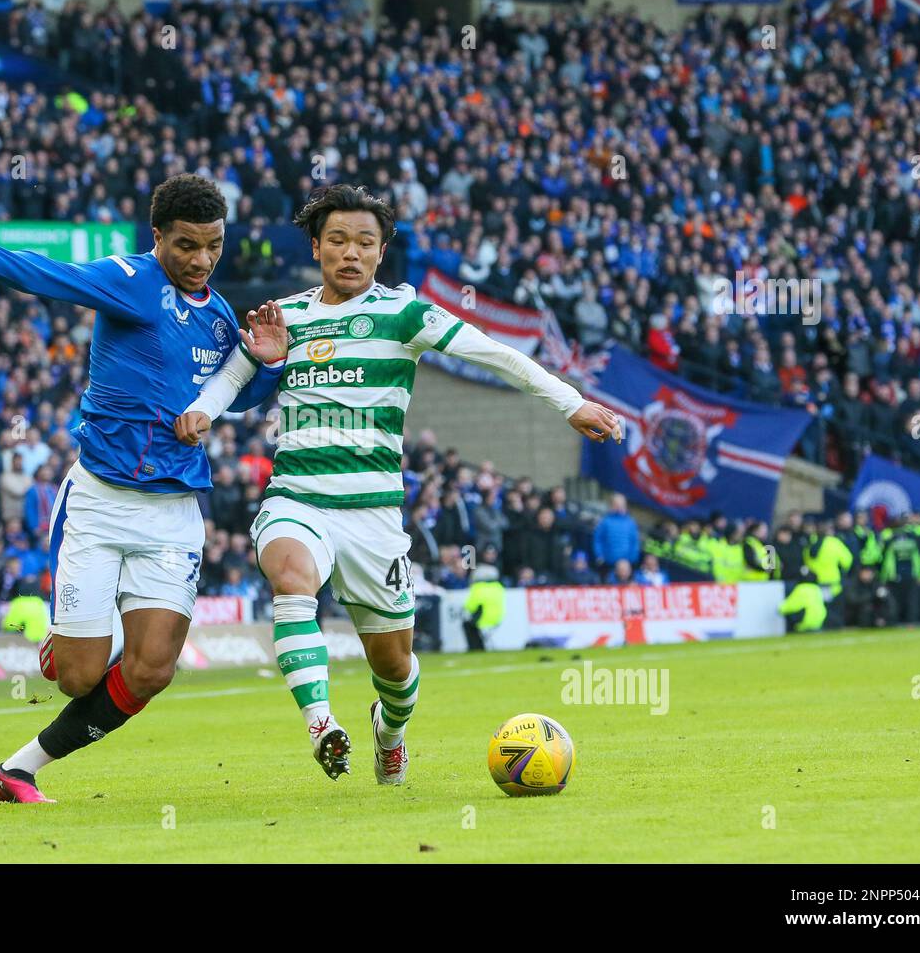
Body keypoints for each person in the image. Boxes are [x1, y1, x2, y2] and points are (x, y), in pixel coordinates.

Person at [176, 184, 621, 784]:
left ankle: (390, 732)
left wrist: (571, 404)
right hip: (298, 497)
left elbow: (496, 354)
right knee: (290, 579)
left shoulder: (405, 314)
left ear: (382, 252)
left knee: (396, 668)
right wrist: (203, 410)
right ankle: (322, 727)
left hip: (375, 517)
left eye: (365, 242)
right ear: (316, 246)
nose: (351, 253)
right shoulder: (289, 316)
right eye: (338, 240)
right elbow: (235, 373)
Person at [0, 173, 287, 803]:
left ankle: (17, 770)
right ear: (158, 237)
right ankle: (67, 639)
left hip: (175, 513)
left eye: (213, 246)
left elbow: (237, 394)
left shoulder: (219, 315)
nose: (202, 260)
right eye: (186, 246)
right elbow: (56, 276)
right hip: (99, 504)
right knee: (77, 677)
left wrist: (269, 360)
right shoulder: (133, 283)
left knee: (152, 670)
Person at [592, 493, 639, 578]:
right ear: (612, 505)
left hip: (627, 565)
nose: (619, 507)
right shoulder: (605, 522)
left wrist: (631, 559)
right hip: (608, 563)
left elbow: (634, 542)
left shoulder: (631, 522)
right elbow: (598, 540)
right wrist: (600, 556)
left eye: (621, 504)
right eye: (617, 504)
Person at [462, 564, 504, 651]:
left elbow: (470, 606)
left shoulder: (478, 587)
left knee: (467, 624)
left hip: (483, 620)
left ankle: (476, 647)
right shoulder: (498, 587)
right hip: (498, 619)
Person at [779, 567, 827, 633]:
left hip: (805, 624)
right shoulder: (817, 589)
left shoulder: (800, 589)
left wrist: (780, 608)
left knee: (790, 612)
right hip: (819, 622)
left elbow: (786, 607)